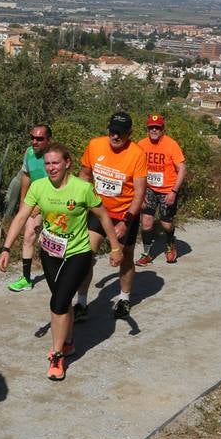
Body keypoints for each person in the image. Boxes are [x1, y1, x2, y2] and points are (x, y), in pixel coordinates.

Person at [0, 143, 123, 380]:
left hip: (77, 253)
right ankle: (68, 342)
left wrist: (115, 247)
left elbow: (104, 216)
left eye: (55, 163)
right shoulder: (39, 186)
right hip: (49, 252)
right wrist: (6, 248)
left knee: (58, 303)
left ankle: (57, 356)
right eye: (47, 163)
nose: (51, 168)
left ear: (67, 163)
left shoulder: (82, 188)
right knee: (63, 303)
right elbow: (21, 216)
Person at [78, 112, 148, 320]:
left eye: (121, 133)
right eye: (112, 131)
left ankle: (124, 298)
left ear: (130, 134)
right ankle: (81, 303)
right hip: (99, 210)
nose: (116, 136)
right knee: (86, 255)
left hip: (126, 213)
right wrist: (80, 205)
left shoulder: (137, 154)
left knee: (125, 256)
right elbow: (84, 175)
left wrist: (126, 222)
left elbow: (139, 193)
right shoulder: (95, 145)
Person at [136, 114, 187, 265]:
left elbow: (182, 168)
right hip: (149, 189)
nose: (154, 130)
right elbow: (136, 168)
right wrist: (140, 191)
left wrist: (174, 191)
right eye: (151, 127)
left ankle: (170, 243)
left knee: (166, 223)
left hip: (168, 190)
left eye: (157, 127)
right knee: (146, 222)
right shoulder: (141, 144)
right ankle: (146, 253)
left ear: (162, 129)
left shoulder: (171, 145)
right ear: (147, 128)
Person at [6, 124, 52, 292]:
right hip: (34, 200)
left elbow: (58, 183)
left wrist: (41, 205)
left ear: (48, 140)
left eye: (40, 138)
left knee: (56, 240)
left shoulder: (53, 156)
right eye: (32, 137)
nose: (35, 141)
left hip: (54, 203)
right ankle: (26, 278)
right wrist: (24, 203)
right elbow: (26, 177)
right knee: (29, 235)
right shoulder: (29, 153)